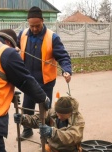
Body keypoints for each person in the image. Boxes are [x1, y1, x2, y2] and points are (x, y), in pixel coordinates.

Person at [17, 6, 72, 140]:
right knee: (27, 108)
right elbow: (14, 49)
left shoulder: (52, 37)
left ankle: (45, 133)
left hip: (45, 81)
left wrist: (66, 70)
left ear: (43, 21)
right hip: (29, 81)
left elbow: (63, 56)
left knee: (45, 110)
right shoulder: (23, 35)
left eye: (37, 25)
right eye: (32, 26)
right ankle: (27, 130)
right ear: (28, 23)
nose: (35, 28)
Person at [14, 96, 85, 152]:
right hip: (51, 149)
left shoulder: (78, 120)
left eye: (61, 115)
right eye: (57, 113)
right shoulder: (54, 112)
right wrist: (24, 118)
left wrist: (52, 132)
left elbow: (72, 136)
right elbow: (38, 119)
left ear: (69, 113)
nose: (58, 117)